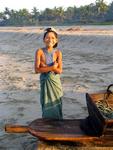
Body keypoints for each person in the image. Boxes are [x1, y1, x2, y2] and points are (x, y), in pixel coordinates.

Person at [35, 27, 63, 119]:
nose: (50, 40)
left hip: (55, 82)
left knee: (56, 102)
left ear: (56, 40)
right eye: (47, 37)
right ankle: (46, 122)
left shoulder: (58, 53)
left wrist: (45, 67)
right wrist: (52, 67)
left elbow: (59, 71)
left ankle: (58, 122)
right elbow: (37, 70)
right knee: (45, 102)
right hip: (45, 82)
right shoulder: (39, 51)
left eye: (52, 38)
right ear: (44, 39)